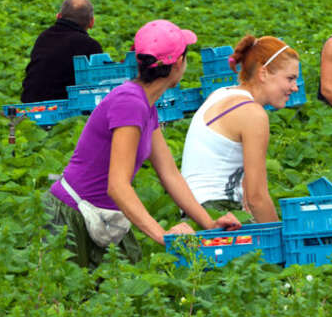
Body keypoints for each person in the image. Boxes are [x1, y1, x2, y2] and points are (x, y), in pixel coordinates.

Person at [45, 20, 240, 269]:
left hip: (104, 218)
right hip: (73, 216)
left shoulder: (145, 105)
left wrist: (209, 224)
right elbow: (117, 185)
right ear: (179, 63)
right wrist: (162, 235)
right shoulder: (130, 103)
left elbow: (169, 174)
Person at [181, 35, 299, 222]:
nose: (295, 88)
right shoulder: (252, 113)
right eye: (290, 78)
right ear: (264, 73)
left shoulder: (221, 94)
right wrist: (280, 240)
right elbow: (256, 198)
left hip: (193, 211)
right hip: (217, 209)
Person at [21, 0, 103, 103]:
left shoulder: (44, 37)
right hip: (66, 107)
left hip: (30, 102)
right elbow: (99, 84)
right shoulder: (90, 45)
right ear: (91, 22)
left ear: (58, 17)